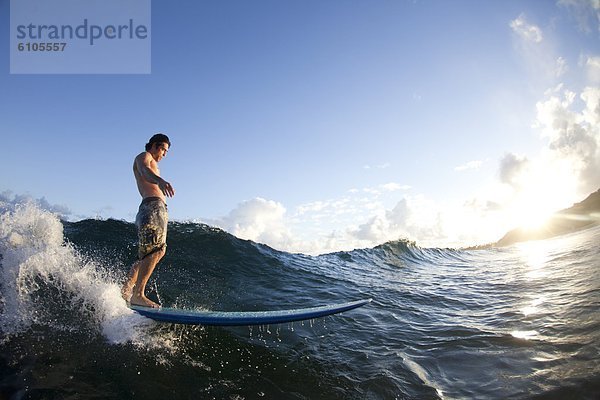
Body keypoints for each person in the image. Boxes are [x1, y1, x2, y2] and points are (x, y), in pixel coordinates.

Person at [121, 133, 175, 308]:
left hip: (152, 208)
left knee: (150, 253)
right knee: (156, 251)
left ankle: (127, 290)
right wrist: (161, 181)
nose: (164, 155)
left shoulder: (153, 163)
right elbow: (145, 170)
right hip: (152, 207)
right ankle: (138, 294)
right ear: (154, 146)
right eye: (163, 150)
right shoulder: (144, 157)